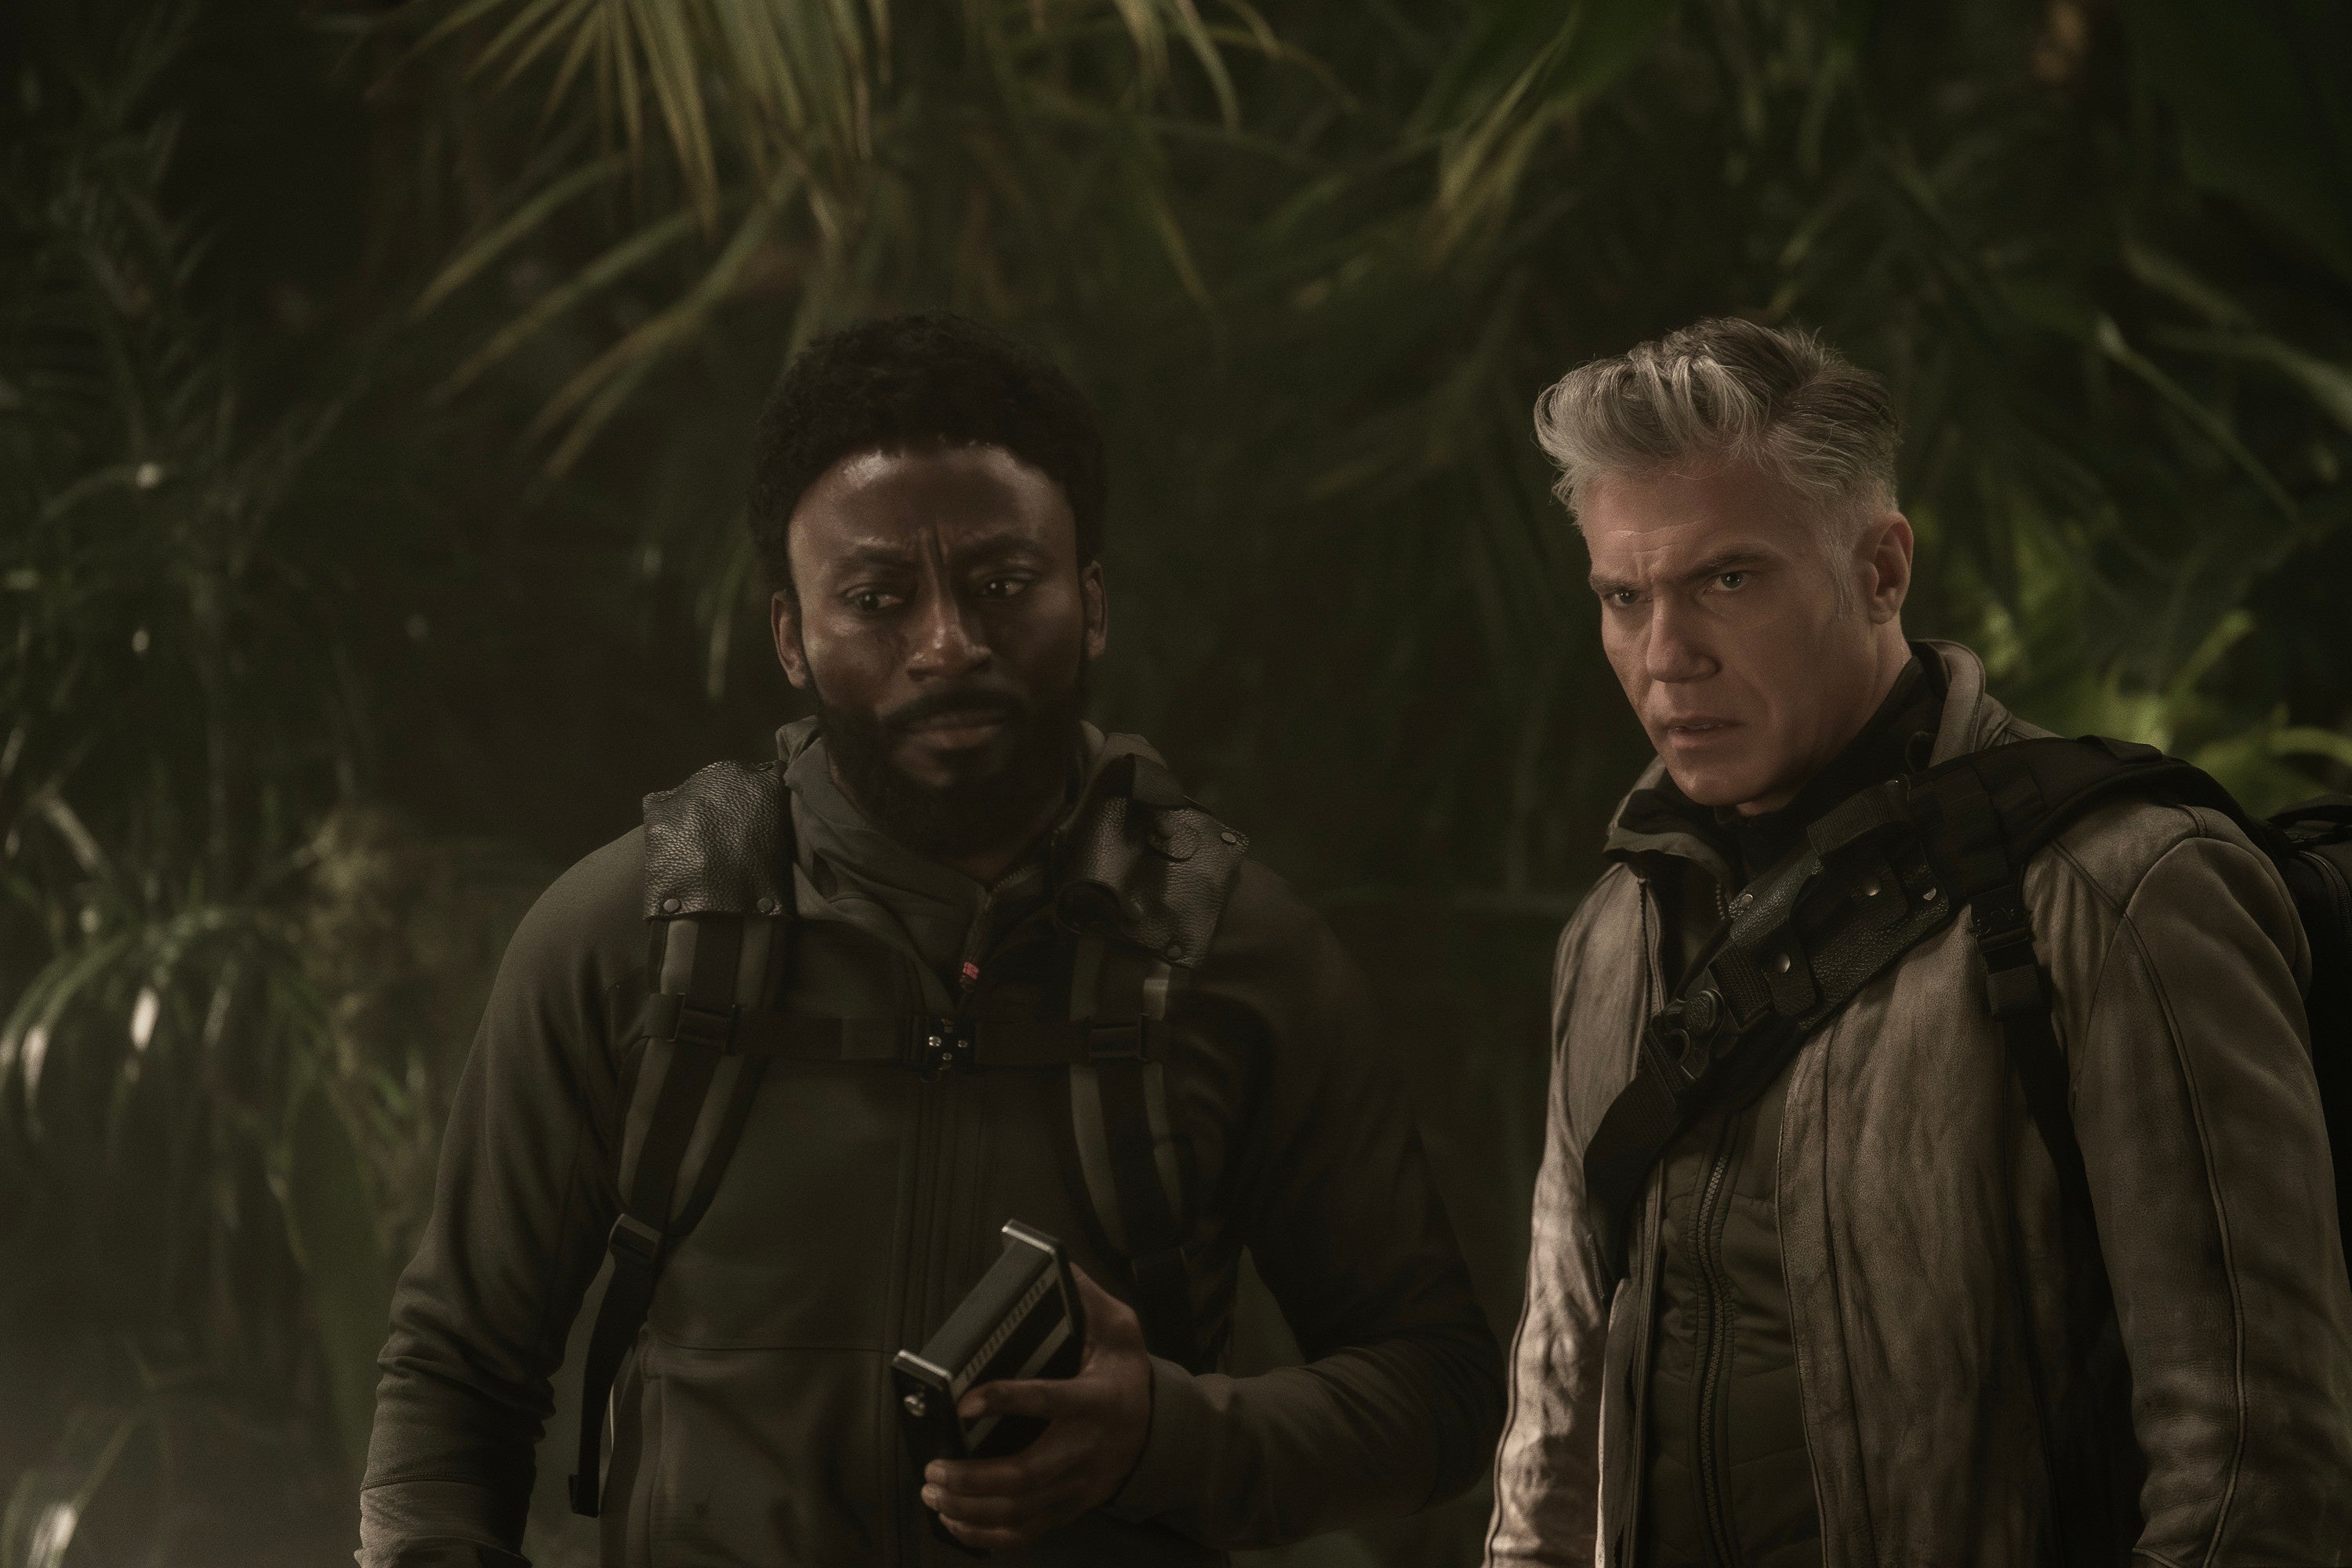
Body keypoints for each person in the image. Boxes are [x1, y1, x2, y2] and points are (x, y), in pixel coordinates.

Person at [359, 313, 1502, 1566]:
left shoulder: (1232, 950)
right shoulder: (635, 938)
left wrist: (1169, 1438)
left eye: (1003, 584)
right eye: (876, 599)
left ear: (1092, 603)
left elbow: (1440, 1389)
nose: (948, 643)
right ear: (791, 636)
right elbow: (455, 1376)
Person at [1485, 318, 2352, 1566]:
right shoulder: (1620, 928)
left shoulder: (2118, 890)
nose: (1666, 656)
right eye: (1625, 598)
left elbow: (2257, 1467)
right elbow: (1558, 1406)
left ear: (1882, 571)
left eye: (1729, 581)